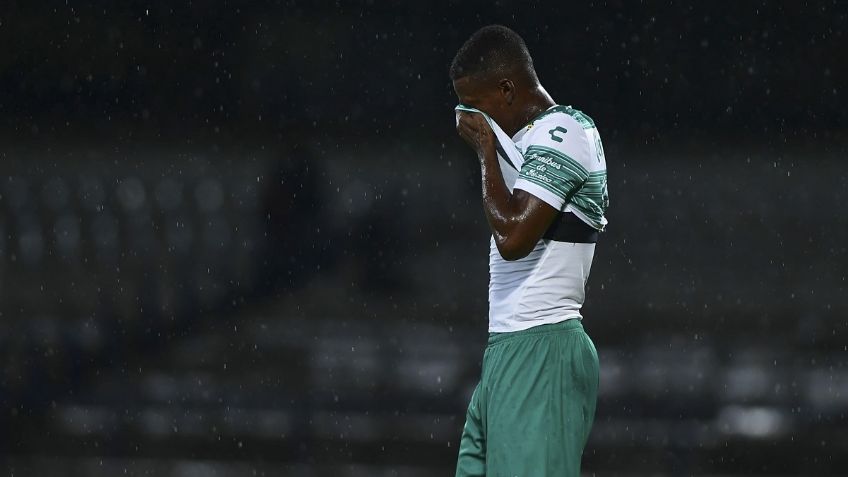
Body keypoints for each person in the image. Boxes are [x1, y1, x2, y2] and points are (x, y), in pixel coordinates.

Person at [450, 25, 609, 476]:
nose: (469, 119)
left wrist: (485, 149)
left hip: (543, 348)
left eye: (475, 106)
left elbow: (514, 238)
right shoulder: (525, 144)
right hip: (505, 350)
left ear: (506, 89)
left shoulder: (566, 130)